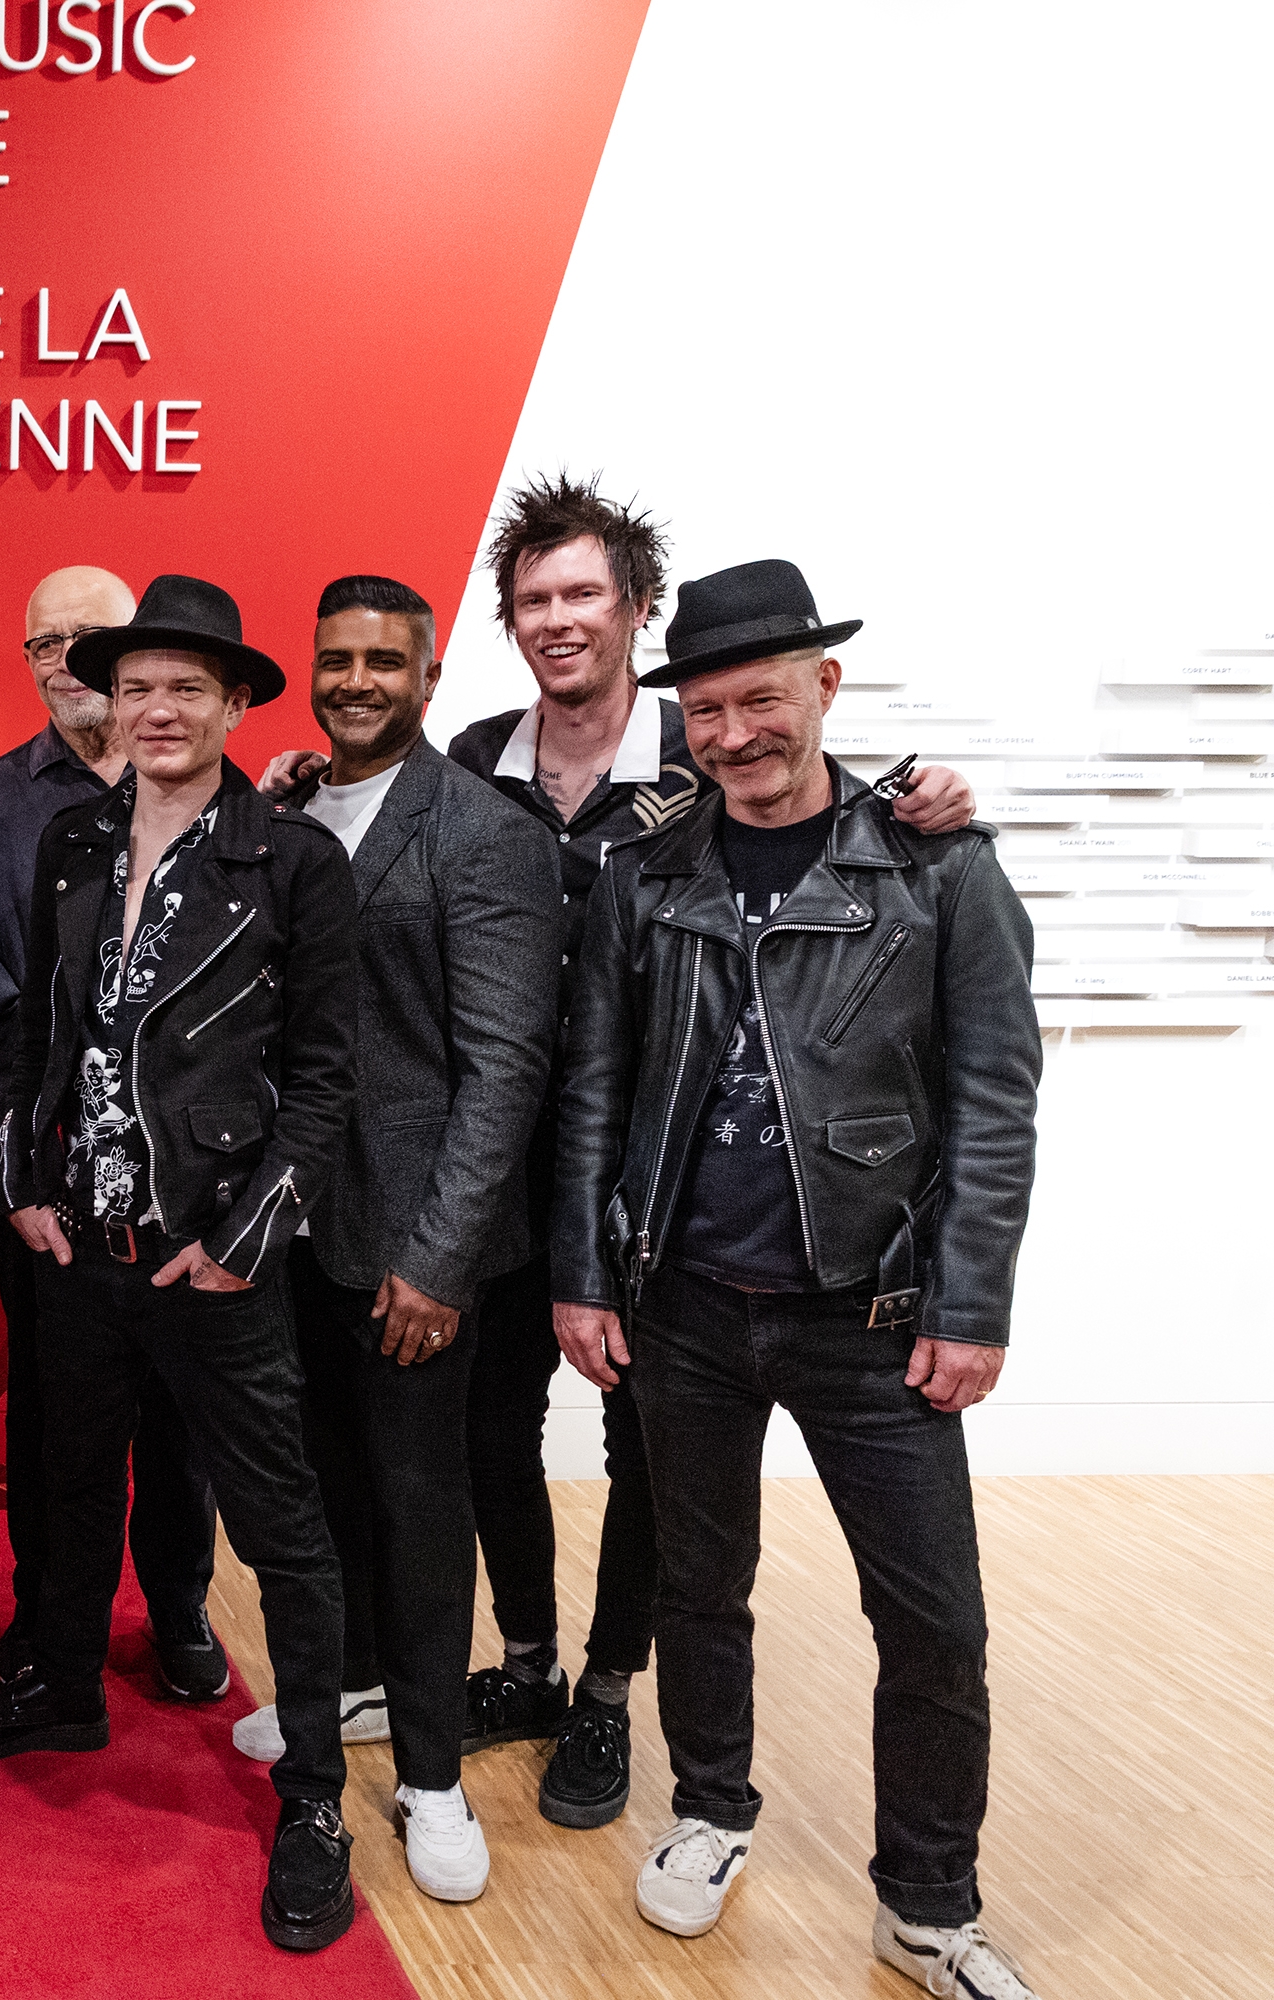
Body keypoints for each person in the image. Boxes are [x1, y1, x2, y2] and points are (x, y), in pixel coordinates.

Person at [254, 473, 975, 1829]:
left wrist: (925, 794)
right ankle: (525, 1663)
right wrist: (297, 782)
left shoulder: (707, 744)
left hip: (658, 1168)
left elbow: (817, 802)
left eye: (584, 592)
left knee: (651, 1448)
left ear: (638, 609)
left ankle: (603, 1687)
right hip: (498, 1170)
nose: (559, 619)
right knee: (491, 1432)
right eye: (534, 599)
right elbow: (383, 816)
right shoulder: (478, 754)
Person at [551, 559, 1042, 1997]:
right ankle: (710, 1810)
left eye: (759, 700)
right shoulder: (644, 875)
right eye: (705, 712)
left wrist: (973, 1303)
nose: (734, 735)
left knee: (936, 1621)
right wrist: (586, 1273)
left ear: (824, 685)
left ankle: (928, 1904)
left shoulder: (938, 867)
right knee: (699, 1587)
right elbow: (594, 1090)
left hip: (874, 1318)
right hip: (684, 1309)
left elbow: (995, 1103)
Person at [0, 574, 366, 1957]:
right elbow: (38, 1034)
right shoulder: (70, 840)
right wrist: (22, 1181)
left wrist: (244, 1240)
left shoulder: (292, 863)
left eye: (186, 688)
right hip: (80, 1243)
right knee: (65, 1484)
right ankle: (60, 1685)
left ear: (233, 704)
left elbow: (326, 1078)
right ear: (109, 701)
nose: (157, 709)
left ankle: (314, 1793)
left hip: (211, 1255)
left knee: (281, 1526)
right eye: (137, 687)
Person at [269, 575, 560, 1904]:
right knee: (324, 1488)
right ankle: (346, 1692)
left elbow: (504, 1070)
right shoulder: (285, 814)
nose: (355, 682)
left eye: (384, 661)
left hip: (414, 1248)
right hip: (297, 1236)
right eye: (336, 659)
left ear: (429, 676)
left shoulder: (482, 832)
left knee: (420, 1504)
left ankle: (434, 1775)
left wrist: (441, 1259)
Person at [0, 564, 223, 1703]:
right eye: (42, 642)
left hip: (182, 1173)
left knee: (180, 1409)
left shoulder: (215, 792)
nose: (65, 660)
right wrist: (28, 1160)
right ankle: (48, 1611)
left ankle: (179, 1608)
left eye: (87, 636)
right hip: (48, 1168)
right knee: (56, 1413)